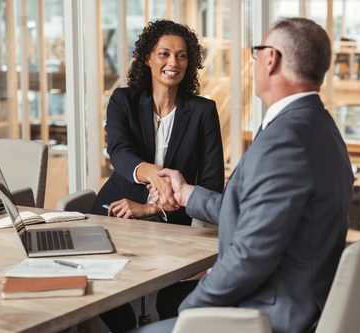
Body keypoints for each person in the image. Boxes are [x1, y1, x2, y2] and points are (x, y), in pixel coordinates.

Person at [143, 18, 354, 333]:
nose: (253, 63)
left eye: (256, 53)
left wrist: (188, 317)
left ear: (271, 60)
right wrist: (186, 193)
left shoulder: (286, 140)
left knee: (167, 311)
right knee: (168, 300)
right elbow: (257, 212)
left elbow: (249, 257)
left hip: (270, 313)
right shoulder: (318, 126)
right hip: (299, 298)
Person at [91, 19, 224, 332]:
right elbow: (120, 153)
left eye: (181, 56)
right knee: (100, 291)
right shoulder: (123, 101)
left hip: (173, 223)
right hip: (116, 212)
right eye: (164, 54)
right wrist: (156, 177)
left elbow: (212, 182)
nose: (172, 63)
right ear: (148, 58)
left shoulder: (203, 111)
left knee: (171, 299)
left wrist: (153, 208)